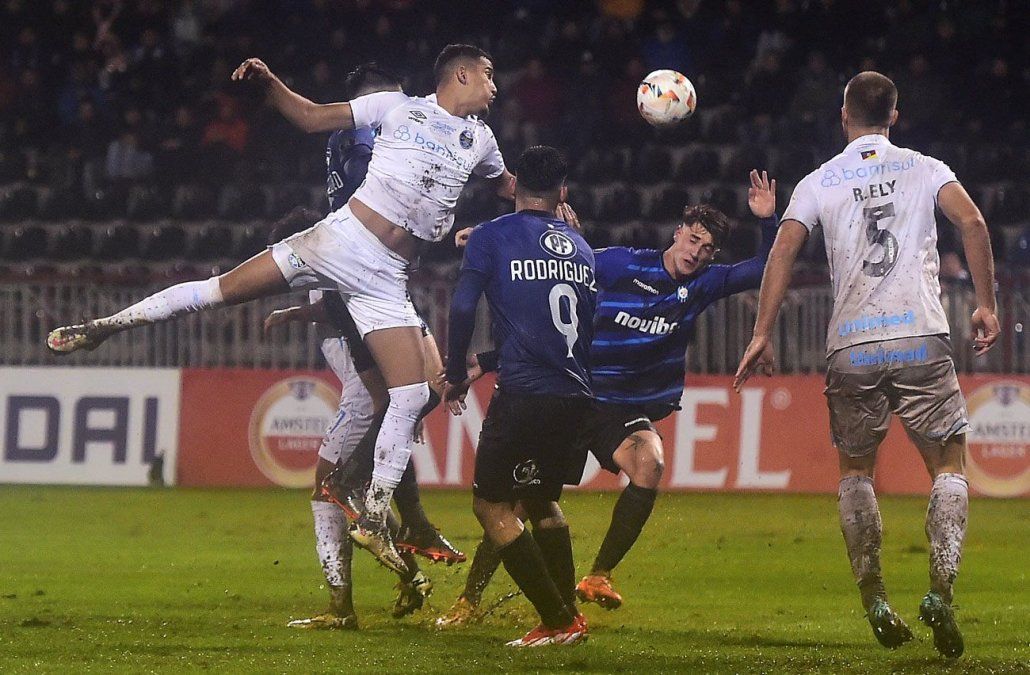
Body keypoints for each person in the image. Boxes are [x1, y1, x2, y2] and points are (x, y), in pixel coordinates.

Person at [46, 44, 515, 574]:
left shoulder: (482, 140)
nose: (495, 87)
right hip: (341, 241)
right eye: (488, 74)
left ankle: (374, 515)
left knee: (411, 397)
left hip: (387, 277)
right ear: (461, 73)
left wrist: (551, 200)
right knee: (218, 289)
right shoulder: (397, 107)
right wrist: (270, 84)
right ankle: (105, 326)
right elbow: (312, 117)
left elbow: (510, 189)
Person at [734, 71, 999, 659]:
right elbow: (974, 223)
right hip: (920, 338)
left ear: (843, 116)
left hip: (851, 346)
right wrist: (985, 303)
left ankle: (875, 596)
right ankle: (939, 591)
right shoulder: (926, 167)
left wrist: (761, 332)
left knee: (856, 471)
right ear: (895, 115)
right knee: (949, 465)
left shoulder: (818, 181)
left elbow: (783, 250)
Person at [438, 170, 780, 627]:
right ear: (677, 232)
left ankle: (598, 575)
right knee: (525, 503)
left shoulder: (702, 285)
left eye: (707, 249)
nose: (696, 253)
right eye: (692, 239)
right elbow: (552, 296)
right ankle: (469, 598)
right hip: (578, 393)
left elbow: (764, 266)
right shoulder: (617, 264)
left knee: (650, 464)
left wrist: (769, 220)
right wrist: (485, 241)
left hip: (624, 409)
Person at [444, 146, 595, 647]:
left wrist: (455, 369)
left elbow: (463, 306)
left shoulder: (491, 237)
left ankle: (557, 618)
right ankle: (570, 613)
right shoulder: (581, 247)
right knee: (541, 500)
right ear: (563, 194)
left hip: (525, 393)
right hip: (574, 391)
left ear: (513, 186)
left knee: (490, 507)